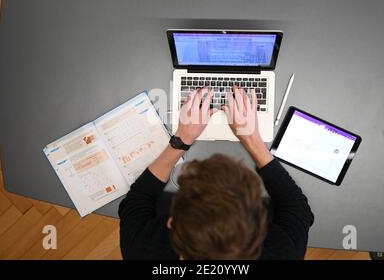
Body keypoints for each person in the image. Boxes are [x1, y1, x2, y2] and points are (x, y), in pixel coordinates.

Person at [119, 86, 314, 259]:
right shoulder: (284, 252)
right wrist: (253, 140)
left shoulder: (141, 251)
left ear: (171, 223)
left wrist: (181, 139)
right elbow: (297, 207)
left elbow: (136, 200)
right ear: (259, 227)